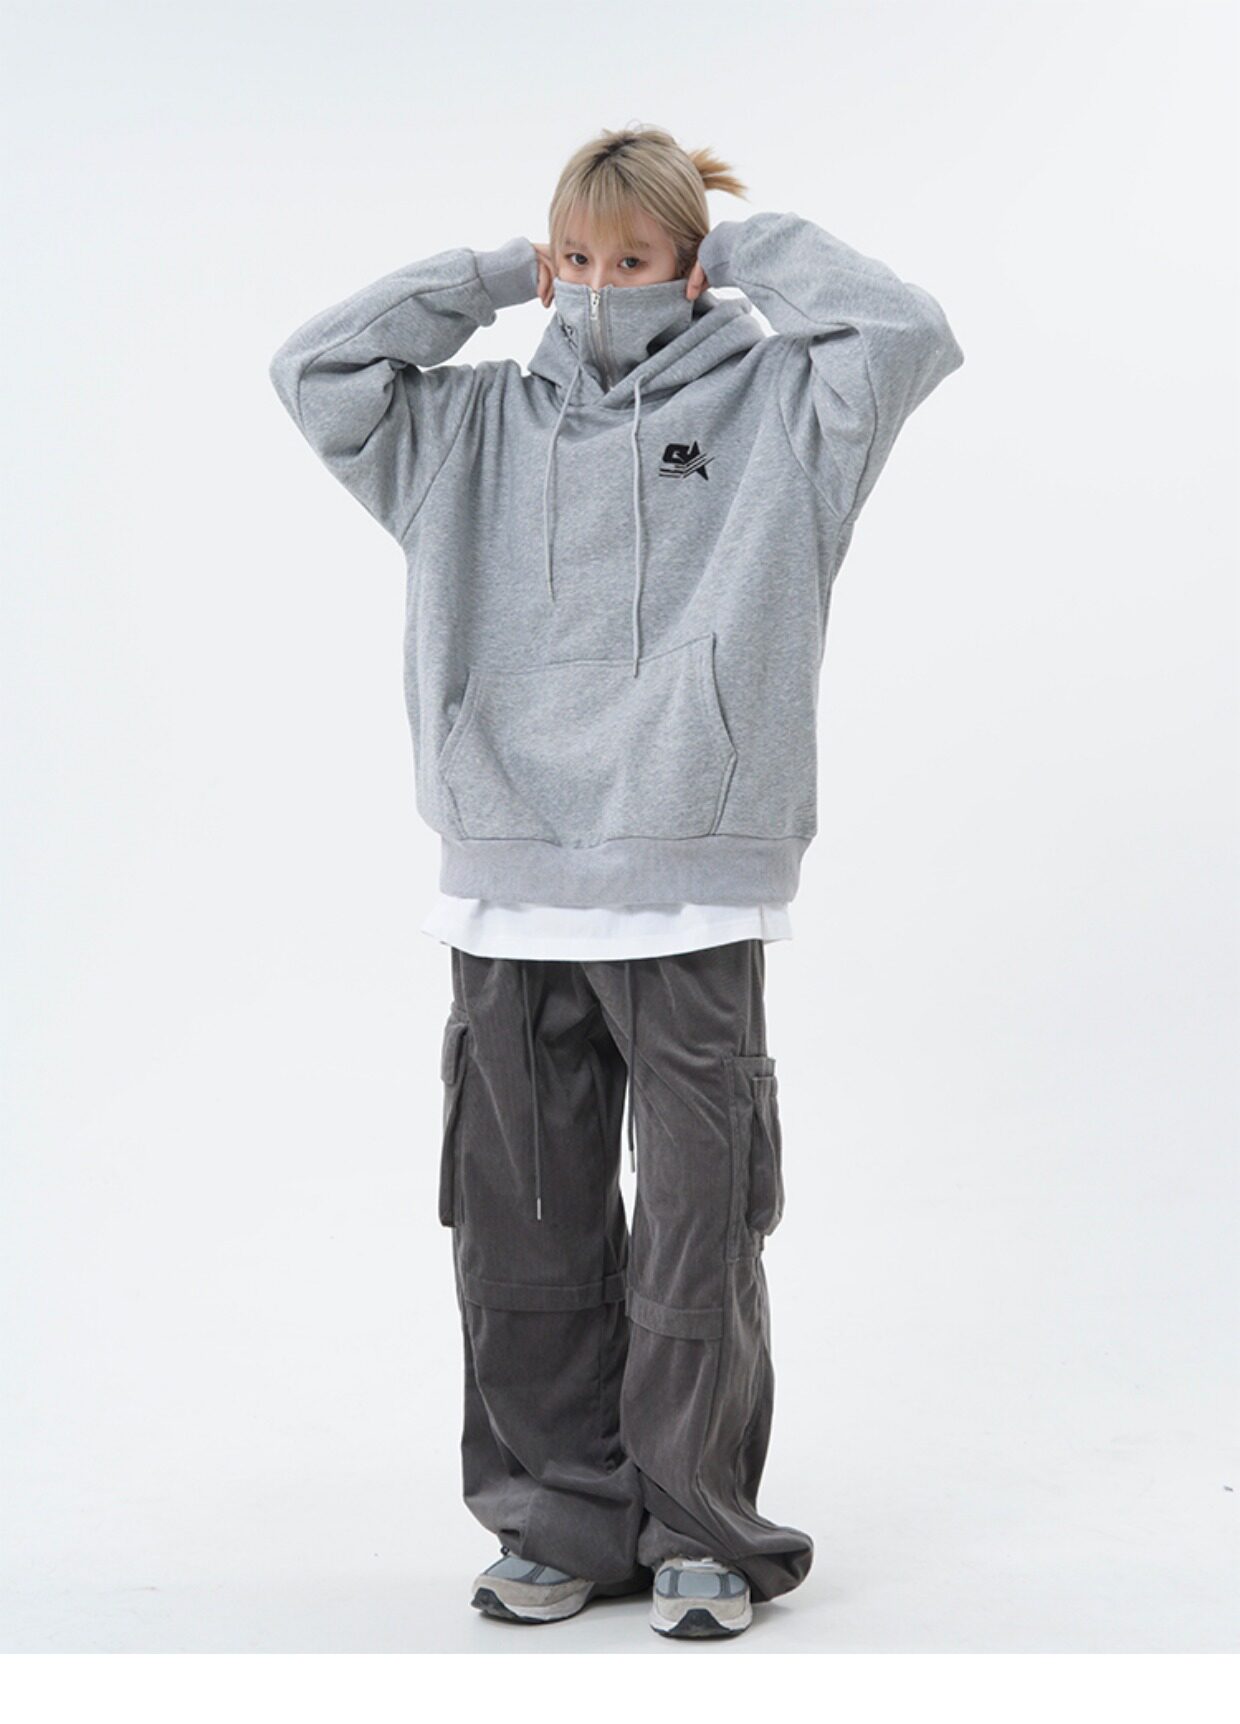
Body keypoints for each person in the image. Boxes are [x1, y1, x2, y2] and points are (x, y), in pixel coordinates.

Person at [268, 122, 964, 1639]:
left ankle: (702, 1522)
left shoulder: (785, 410)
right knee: (521, 1224)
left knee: (699, 1231)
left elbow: (907, 334)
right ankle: (558, 1519)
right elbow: (314, 371)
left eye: (631, 260)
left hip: (694, 875)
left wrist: (748, 246)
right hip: (507, 879)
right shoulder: (468, 430)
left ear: (689, 268)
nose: (595, 287)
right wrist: (483, 278)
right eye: (574, 258)